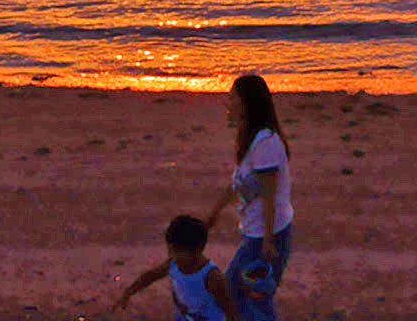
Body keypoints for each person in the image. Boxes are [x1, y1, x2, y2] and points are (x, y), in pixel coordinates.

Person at [200, 74, 291, 321]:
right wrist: (213, 215)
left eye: (232, 99)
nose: (228, 104)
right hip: (256, 233)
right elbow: (238, 186)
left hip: (268, 235)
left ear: (247, 104)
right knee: (248, 298)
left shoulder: (265, 143)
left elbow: (270, 196)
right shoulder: (250, 141)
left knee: (248, 297)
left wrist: (269, 242)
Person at [110, 214, 236, 320]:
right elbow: (150, 276)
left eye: (178, 251)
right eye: (170, 250)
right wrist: (129, 292)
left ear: (197, 250)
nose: (172, 255)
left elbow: (230, 310)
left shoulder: (211, 277)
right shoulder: (173, 264)